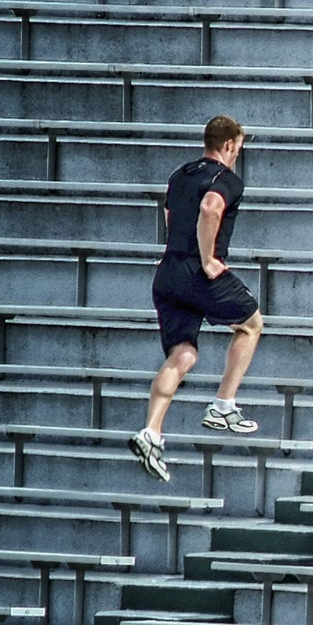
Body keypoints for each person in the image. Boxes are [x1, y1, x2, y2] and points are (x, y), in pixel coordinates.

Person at [129, 114, 265, 482]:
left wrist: (176, 250)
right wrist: (207, 259)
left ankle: (151, 432)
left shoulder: (180, 174)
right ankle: (223, 405)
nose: (238, 153)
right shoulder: (227, 179)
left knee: (183, 354)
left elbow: (172, 213)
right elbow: (210, 208)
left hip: (168, 271)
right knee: (252, 325)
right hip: (197, 271)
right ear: (228, 146)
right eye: (238, 148)